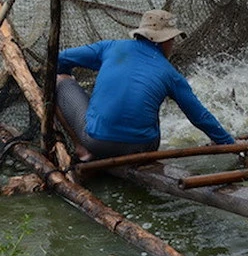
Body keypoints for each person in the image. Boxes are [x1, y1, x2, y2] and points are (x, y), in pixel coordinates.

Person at [55, 9, 235, 161]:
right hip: (143, 148)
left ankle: (82, 148)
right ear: (164, 41)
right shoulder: (170, 73)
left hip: (97, 142)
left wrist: (68, 73)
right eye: (172, 40)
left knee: (60, 80)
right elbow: (199, 116)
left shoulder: (110, 48)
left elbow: (60, 59)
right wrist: (230, 145)